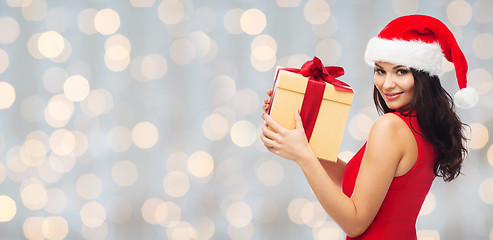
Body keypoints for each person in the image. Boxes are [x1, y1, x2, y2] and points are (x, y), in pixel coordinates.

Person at [260, 15, 478, 239]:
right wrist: (305, 143)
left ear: (422, 75)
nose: (387, 83)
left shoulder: (390, 127)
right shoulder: (424, 124)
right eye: (380, 70)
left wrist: (303, 156)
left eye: (401, 71)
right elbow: (367, 185)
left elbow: (354, 224)